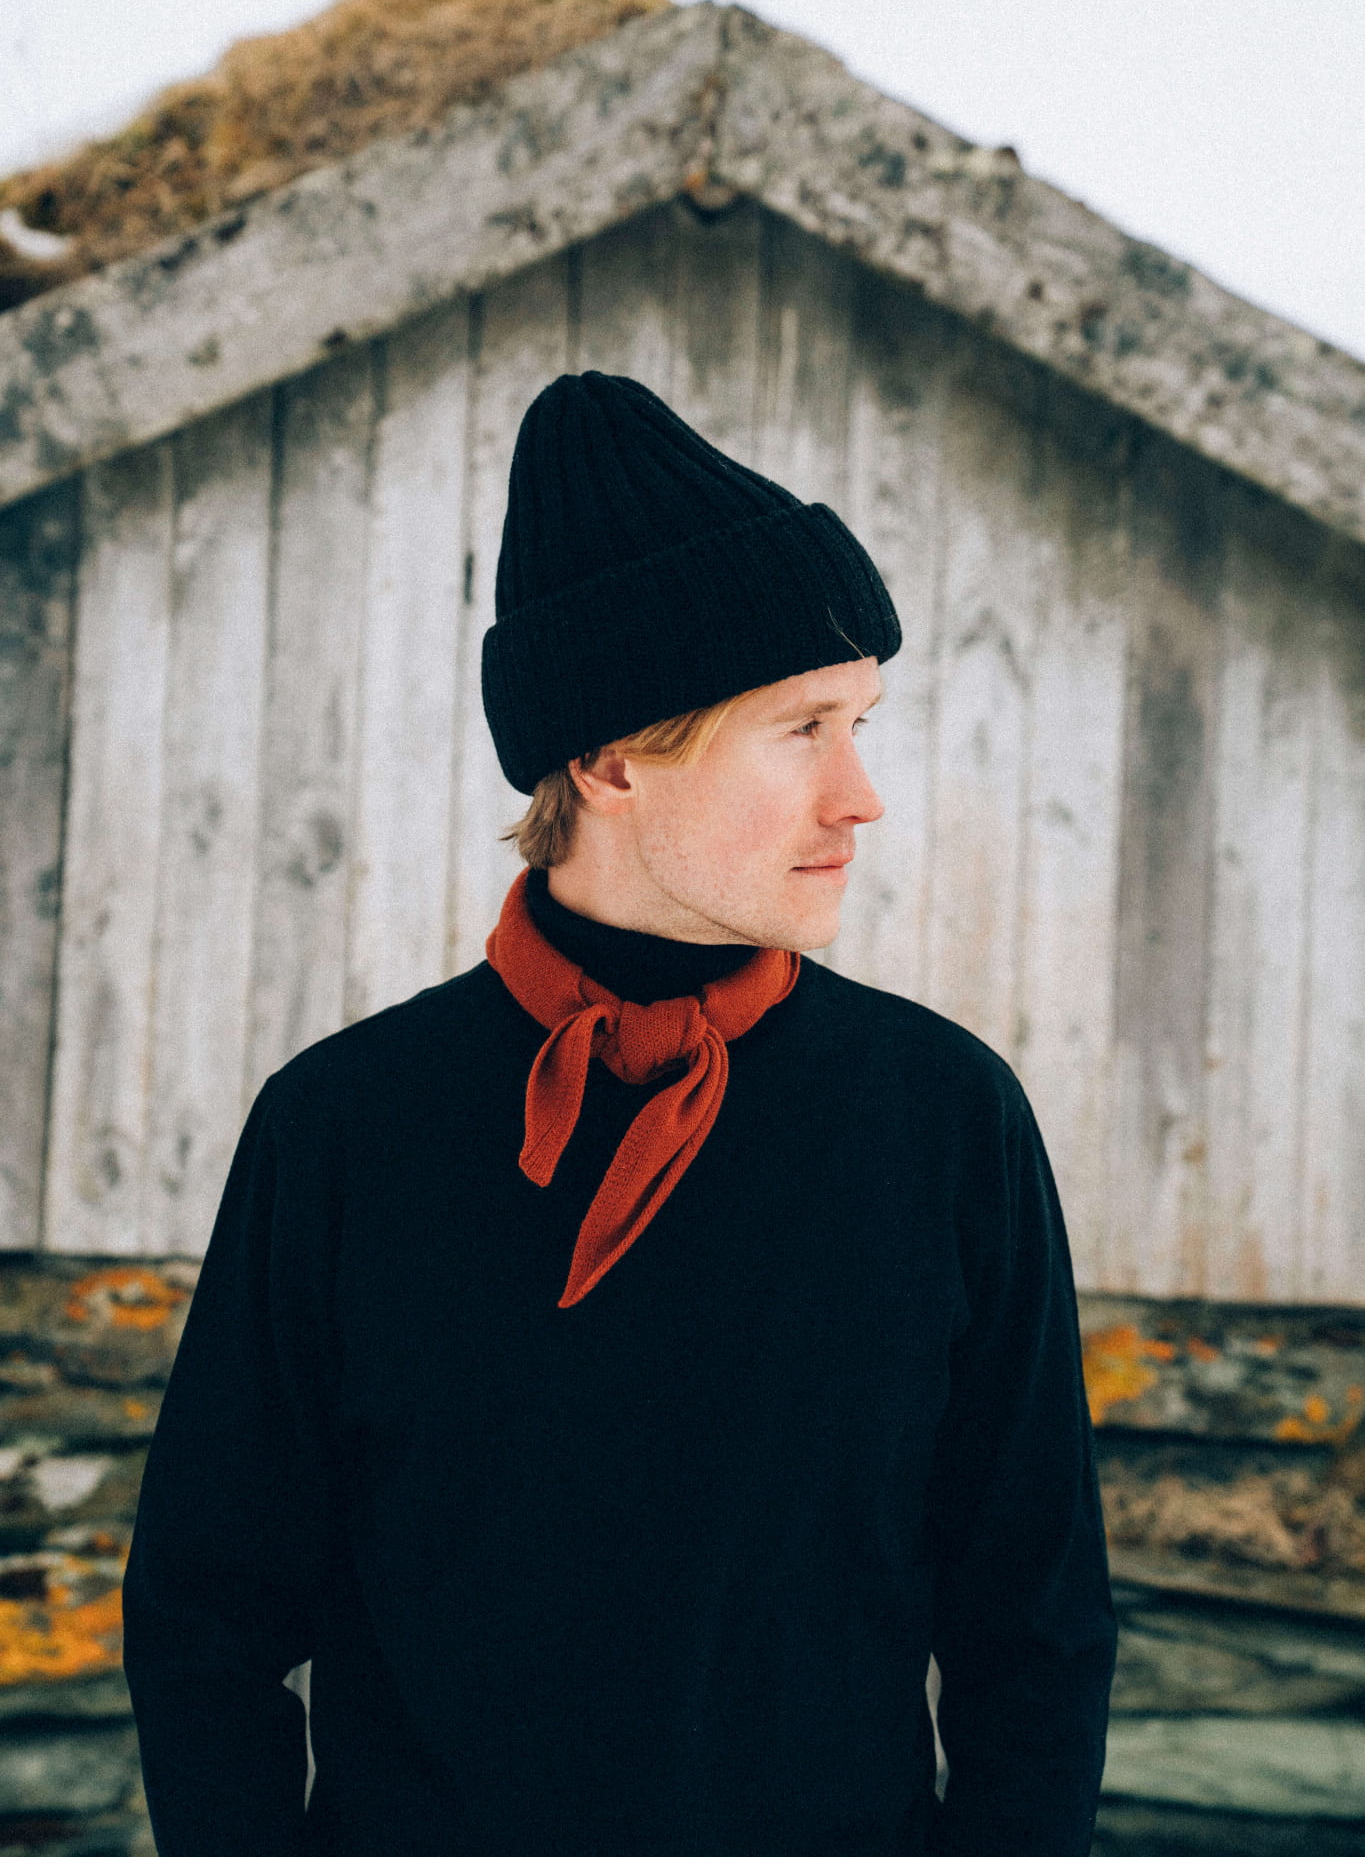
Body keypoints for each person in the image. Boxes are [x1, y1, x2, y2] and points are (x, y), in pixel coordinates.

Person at [121, 370, 1117, 1855]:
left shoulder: (942, 1121)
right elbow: (207, 1618)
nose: (860, 796)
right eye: (801, 728)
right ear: (606, 759)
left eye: (862, 723)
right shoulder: (344, 1129)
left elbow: (1033, 1624)